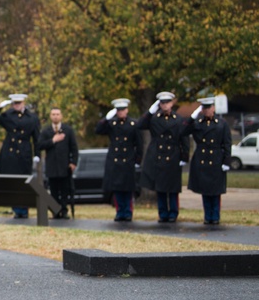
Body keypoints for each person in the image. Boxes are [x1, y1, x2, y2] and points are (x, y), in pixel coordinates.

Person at [139, 91, 190, 223]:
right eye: (162, 103)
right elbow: (140, 125)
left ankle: (173, 213)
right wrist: (150, 112)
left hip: (173, 155)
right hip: (158, 155)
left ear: (172, 103)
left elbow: (184, 138)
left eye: (167, 102)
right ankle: (163, 213)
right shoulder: (154, 118)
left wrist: (184, 156)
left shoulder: (178, 119)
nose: (165, 105)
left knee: (172, 188)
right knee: (160, 188)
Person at [0, 93, 40, 219]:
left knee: (24, 183)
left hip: (24, 152)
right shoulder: (8, 115)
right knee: (12, 182)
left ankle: (24, 209)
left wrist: (37, 154)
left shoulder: (32, 117)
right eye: (14, 103)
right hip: (10, 152)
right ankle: (17, 210)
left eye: (18, 103)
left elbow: (37, 138)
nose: (16, 106)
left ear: (23, 103)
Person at [184, 97, 231, 225]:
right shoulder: (198, 122)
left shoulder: (221, 123)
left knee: (215, 191)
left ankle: (215, 216)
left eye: (208, 107)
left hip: (216, 158)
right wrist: (192, 117)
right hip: (202, 159)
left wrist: (227, 161)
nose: (206, 110)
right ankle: (207, 216)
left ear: (213, 108)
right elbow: (183, 131)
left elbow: (227, 143)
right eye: (204, 108)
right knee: (205, 190)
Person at [95, 98, 143, 221]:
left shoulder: (133, 124)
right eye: (118, 110)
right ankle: (119, 211)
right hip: (115, 160)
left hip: (128, 160)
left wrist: (138, 160)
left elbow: (139, 143)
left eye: (122, 110)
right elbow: (98, 130)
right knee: (116, 189)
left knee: (127, 188)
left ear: (127, 110)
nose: (121, 112)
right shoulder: (112, 123)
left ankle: (128, 212)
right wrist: (106, 118)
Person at [37, 107, 79, 219]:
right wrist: (53, 141)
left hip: (65, 166)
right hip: (52, 166)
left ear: (61, 116)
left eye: (57, 114)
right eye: (53, 114)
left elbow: (74, 148)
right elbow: (40, 145)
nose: (55, 116)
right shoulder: (46, 131)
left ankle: (64, 211)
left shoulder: (68, 130)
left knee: (65, 190)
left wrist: (73, 162)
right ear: (50, 116)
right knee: (54, 190)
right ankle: (55, 211)